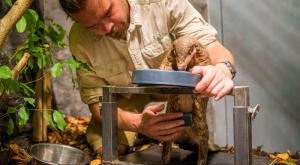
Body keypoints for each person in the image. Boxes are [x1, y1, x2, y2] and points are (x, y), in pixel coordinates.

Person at [58, 0, 235, 154]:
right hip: (123, 120)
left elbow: (209, 44)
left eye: (108, 13)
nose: (106, 28)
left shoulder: (162, 3)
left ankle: (185, 136)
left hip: (175, 111)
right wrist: (138, 124)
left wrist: (222, 68)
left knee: (194, 151)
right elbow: (96, 102)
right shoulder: (79, 39)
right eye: (92, 26)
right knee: (108, 153)